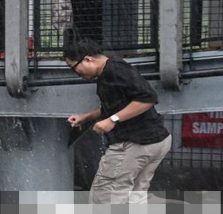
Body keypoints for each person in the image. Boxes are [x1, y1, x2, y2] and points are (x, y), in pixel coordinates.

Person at [63, 39, 171, 204]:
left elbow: (148, 98)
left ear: (87, 59)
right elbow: (120, 105)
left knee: (104, 197)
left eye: (73, 67)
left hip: (135, 143)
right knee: (134, 197)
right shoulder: (112, 69)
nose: (76, 73)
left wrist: (112, 120)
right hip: (155, 141)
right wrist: (87, 116)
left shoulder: (114, 71)